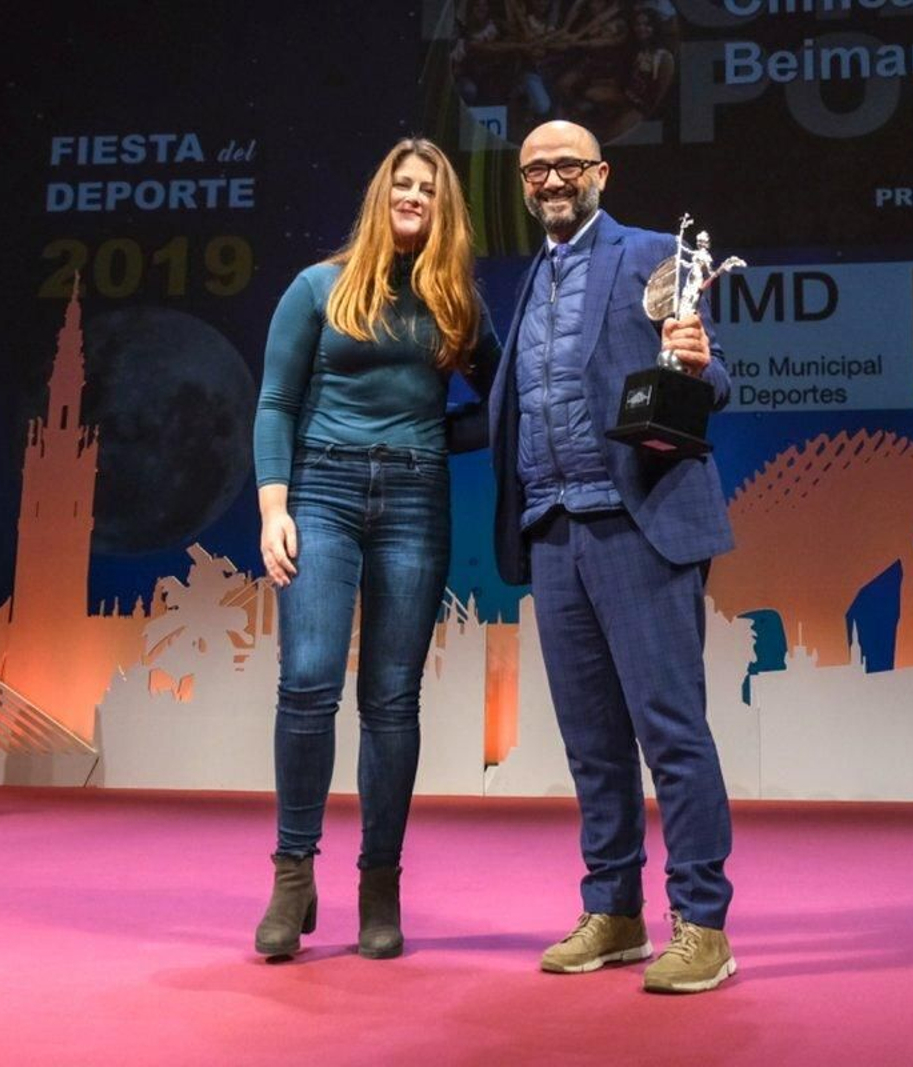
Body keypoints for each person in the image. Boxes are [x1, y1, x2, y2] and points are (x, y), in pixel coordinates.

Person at [486, 120, 737, 993]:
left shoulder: (647, 257)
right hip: (554, 529)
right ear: (523, 186)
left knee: (670, 732)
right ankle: (616, 910)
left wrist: (701, 363)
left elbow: (707, 375)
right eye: (536, 169)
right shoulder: (530, 282)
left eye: (568, 165)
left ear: (601, 172)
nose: (552, 180)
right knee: (592, 743)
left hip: (639, 523)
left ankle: (701, 923)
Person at [252, 137, 500, 960]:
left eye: (428, 188)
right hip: (319, 490)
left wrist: (439, 434)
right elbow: (277, 401)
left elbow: (503, 402)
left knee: (392, 700)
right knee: (309, 680)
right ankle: (293, 876)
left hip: (415, 498)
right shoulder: (316, 287)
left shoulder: (456, 301)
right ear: (380, 194)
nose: (414, 197)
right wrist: (274, 508)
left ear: (444, 207)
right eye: (402, 183)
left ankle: (379, 881)